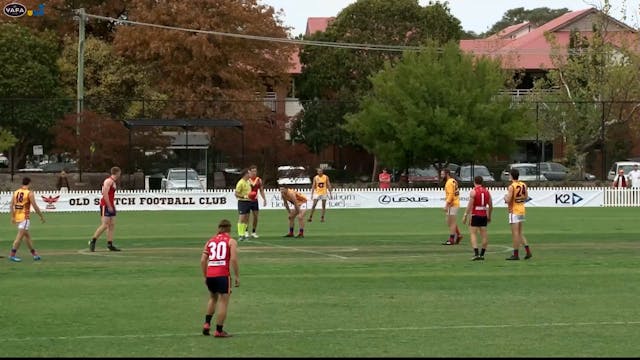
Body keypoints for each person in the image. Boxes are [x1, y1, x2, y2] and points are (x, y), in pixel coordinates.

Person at [200, 219, 239, 338]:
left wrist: (205, 275)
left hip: (210, 274)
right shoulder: (231, 241)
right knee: (223, 300)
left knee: (212, 297)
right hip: (222, 274)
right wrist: (237, 276)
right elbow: (233, 259)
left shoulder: (210, 241)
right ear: (229, 229)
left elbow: (203, 260)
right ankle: (219, 330)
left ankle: (207, 324)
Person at [8, 177, 45, 262]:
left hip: (17, 217)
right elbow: (35, 206)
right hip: (24, 218)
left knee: (27, 237)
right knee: (19, 237)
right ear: (29, 183)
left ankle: (34, 254)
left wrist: (12, 217)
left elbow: (11, 205)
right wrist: (41, 216)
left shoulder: (16, 192)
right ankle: (12, 255)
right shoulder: (29, 193)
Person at [89, 166, 122, 252]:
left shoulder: (113, 182)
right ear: (117, 173)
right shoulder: (109, 181)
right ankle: (93, 240)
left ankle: (109, 244)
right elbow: (105, 194)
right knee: (105, 224)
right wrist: (109, 205)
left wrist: (112, 205)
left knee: (112, 225)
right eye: (119, 173)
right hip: (105, 204)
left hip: (111, 204)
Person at [504, 168, 532, 260]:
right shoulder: (523, 184)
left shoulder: (512, 186)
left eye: (509, 175)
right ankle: (528, 251)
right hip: (521, 209)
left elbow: (508, 200)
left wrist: (505, 197)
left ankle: (516, 254)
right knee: (520, 233)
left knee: (515, 233)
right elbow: (526, 197)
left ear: (512, 176)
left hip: (514, 211)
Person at [462, 176, 493, 261]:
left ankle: (476, 253)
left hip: (475, 214)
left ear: (474, 182)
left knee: (473, 233)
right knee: (484, 235)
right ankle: (482, 254)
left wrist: (465, 215)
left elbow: (470, 205)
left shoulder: (473, 191)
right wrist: (489, 216)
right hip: (483, 215)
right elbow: (490, 205)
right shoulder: (487, 191)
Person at [442, 168, 463, 245]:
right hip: (454, 203)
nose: (441, 176)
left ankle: (451, 239)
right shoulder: (453, 181)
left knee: (451, 222)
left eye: (442, 174)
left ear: (447, 174)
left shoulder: (449, 183)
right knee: (449, 221)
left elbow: (451, 194)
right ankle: (458, 235)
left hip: (453, 204)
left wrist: (446, 205)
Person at [246, 165, 267, 238]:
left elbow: (261, 190)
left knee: (255, 217)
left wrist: (264, 199)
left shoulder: (259, 180)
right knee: (247, 217)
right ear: (249, 171)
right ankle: (246, 231)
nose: (254, 173)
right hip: (247, 200)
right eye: (253, 171)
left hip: (255, 200)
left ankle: (253, 232)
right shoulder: (247, 180)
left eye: (255, 171)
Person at [234, 168, 252, 241]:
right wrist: (243, 196)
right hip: (242, 202)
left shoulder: (248, 182)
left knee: (247, 219)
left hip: (248, 202)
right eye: (249, 173)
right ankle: (240, 235)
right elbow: (236, 193)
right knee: (241, 218)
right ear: (246, 174)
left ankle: (245, 233)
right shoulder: (240, 182)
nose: (250, 174)